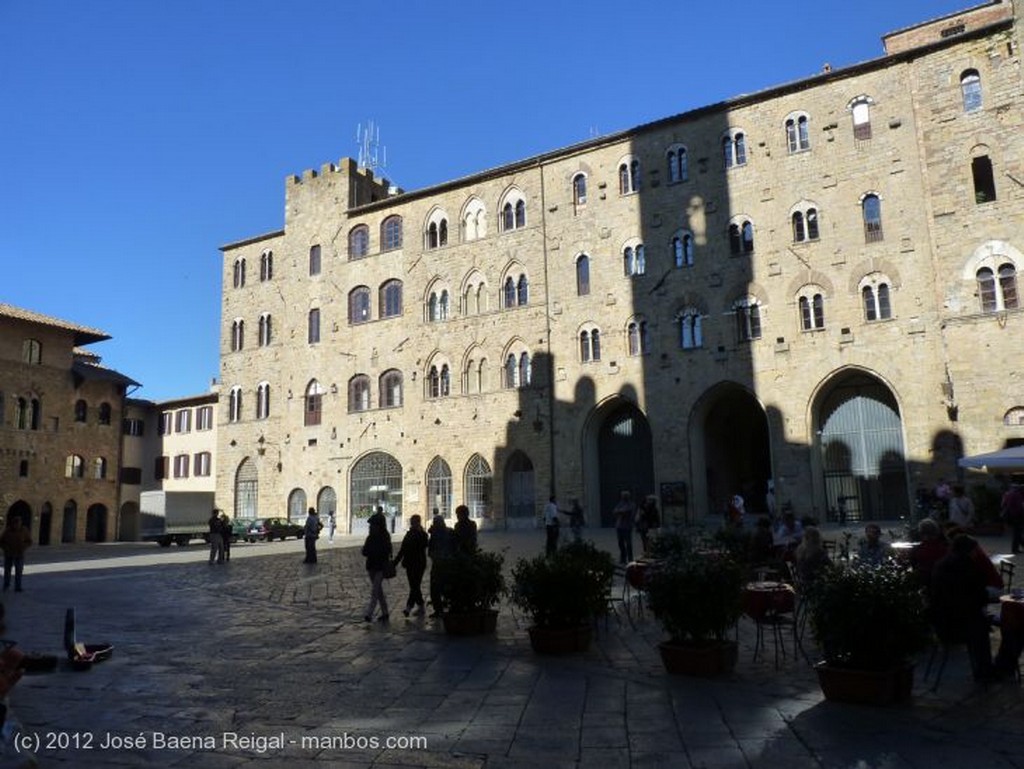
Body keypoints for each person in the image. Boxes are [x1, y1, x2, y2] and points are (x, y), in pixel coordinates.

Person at [929, 534, 994, 682]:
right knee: (983, 627)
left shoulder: (941, 564)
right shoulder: (967, 567)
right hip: (958, 626)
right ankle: (985, 670)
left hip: (940, 623)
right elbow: (979, 597)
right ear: (968, 550)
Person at [393, 514, 429, 617]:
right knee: (414, 586)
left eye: (414, 522)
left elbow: (425, 544)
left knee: (415, 586)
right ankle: (421, 606)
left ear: (418, 522)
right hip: (409, 564)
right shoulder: (408, 535)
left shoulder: (422, 534)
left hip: (419, 564)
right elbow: (402, 550)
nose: (412, 524)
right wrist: (395, 563)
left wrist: (420, 532)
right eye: (412, 522)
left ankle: (409, 608)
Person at [362, 511, 392, 623]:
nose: (371, 527)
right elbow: (365, 551)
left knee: (375, 591)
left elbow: (387, 550)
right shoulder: (370, 537)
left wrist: (374, 552)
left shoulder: (385, 536)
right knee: (378, 590)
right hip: (371, 566)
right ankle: (385, 612)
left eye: (373, 525)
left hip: (380, 567)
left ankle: (369, 614)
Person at [427, 514, 454, 617]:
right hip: (440, 564)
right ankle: (439, 609)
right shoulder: (438, 533)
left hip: (444, 564)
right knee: (435, 588)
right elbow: (431, 549)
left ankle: (440, 609)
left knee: (439, 588)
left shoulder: (446, 533)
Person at [909, 518, 948, 587]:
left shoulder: (917, 550)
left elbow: (914, 565)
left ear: (921, 533)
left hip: (924, 582)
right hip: (942, 582)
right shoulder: (945, 548)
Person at [1, 517, 32, 592]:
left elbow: (29, 541)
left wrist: (23, 547)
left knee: (19, 571)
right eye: (16, 524)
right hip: (9, 554)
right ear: (13, 524)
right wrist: (6, 548)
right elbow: (1, 541)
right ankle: (6, 585)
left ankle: (18, 587)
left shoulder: (24, 530)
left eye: (19, 523)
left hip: (19, 554)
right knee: (7, 571)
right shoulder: (8, 531)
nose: (17, 525)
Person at [612, 491, 635, 565]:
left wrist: (620, 512)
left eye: (625, 496)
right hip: (619, 526)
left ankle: (630, 558)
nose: (623, 497)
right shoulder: (620, 504)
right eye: (623, 496)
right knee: (621, 543)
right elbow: (615, 511)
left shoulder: (631, 504)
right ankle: (623, 558)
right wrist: (619, 511)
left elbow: (627, 512)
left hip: (627, 526)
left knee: (628, 543)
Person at [1001, 482, 1024, 555]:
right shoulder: (1017, 495)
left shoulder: (1008, 494)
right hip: (1017, 516)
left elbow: (1003, 504)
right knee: (1017, 533)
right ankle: (1014, 549)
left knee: (1017, 532)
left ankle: (1016, 548)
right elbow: (1019, 507)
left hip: (1011, 516)